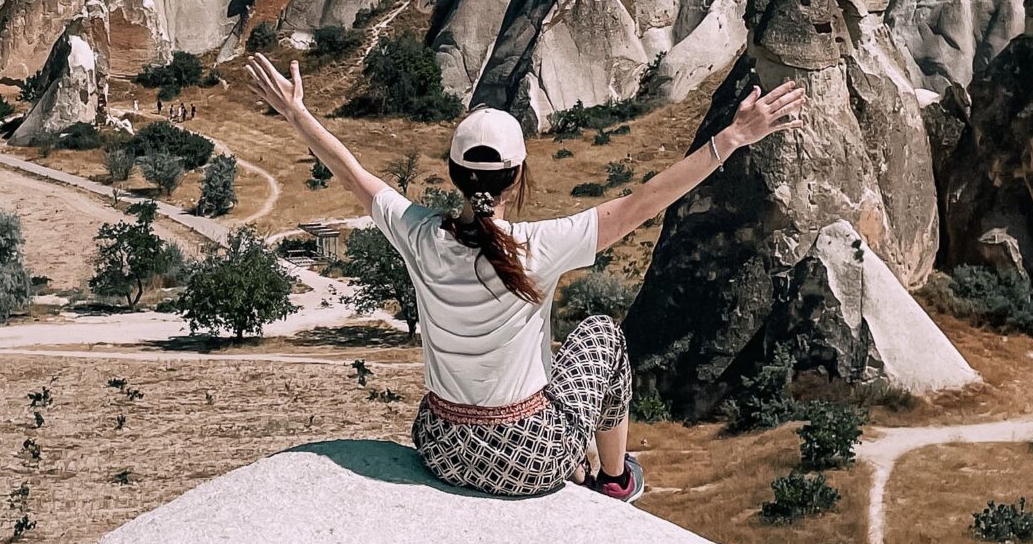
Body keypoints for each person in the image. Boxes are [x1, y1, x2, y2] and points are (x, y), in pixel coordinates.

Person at [246, 58, 804, 501]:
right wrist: (730, 138)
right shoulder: (539, 246)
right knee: (603, 338)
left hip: (441, 446)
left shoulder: (417, 233)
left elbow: (351, 172)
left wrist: (297, 112)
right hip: (525, 461)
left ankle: (593, 464)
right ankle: (614, 478)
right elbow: (646, 199)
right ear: (517, 178)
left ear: (455, 177)